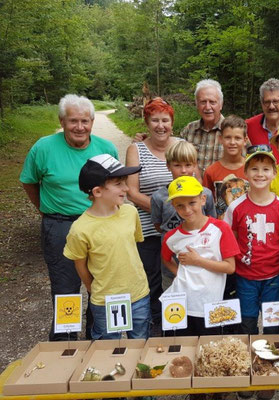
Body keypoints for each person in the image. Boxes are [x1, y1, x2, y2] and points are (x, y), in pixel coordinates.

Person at [20, 94, 118, 341]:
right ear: (62, 121)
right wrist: (44, 209)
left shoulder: (106, 149)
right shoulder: (43, 148)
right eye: (73, 121)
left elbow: (117, 186)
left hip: (100, 225)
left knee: (101, 285)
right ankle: (65, 345)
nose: (79, 127)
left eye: (85, 121)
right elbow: (29, 182)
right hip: (61, 225)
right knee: (66, 289)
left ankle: (98, 339)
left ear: (92, 122)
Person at [63, 154, 150, 340]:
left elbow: (131, 247)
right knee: (109, 348)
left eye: (125, 182)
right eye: (119, 184)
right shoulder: (80, 229)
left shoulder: (130, 212)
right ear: (97, 191)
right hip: (106, 300)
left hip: (139, 294)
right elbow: (80, 264)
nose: (126, 189)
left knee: (141, 342)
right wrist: (93, 289)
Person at [161, 176, 240, 336]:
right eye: (180, 206)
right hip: (182, 304)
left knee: (210, 349)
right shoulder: (171, 237)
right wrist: (181, 274)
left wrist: (198, 261)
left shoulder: (220, 228)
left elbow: (230, 267)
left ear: (203, 199)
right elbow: (166, 259)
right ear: (174, 207)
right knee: (182, 346)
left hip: (211, 304)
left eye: (192, 203)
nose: (187, 210)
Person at [125, 97, 178, 335]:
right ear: (147, 123)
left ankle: (177, 327)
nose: (160, 125)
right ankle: (153, 329)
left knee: (177, 279)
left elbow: (192, 184)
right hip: (147, 229)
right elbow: (131, 192)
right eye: (155, 120)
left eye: (165, 120)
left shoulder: (181, 146)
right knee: (152, 280)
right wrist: (164, 212)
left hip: (179, 231)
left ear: (172, 123)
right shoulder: (135, 150)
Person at [224, 144, 279, 334]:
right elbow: (230, 238)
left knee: (274, 324)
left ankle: (273, 358)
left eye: (266, 169)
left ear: (274, 173)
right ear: (245, 172)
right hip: (246, 276)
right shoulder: (236, 207)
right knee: (247, 321)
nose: (260, 174)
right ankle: (247, 359)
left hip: (275, 275)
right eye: (254, 168)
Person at [151, 141, 216, 291]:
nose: (183, 170)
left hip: (203, 266)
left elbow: (212, 222)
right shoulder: (159, 197)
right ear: (168, 165)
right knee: (174, 308)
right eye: (177, 165)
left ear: (195, 165)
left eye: (188, 165)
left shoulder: (206, 194)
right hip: (171, 267)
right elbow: (159, 226)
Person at [202, 115, 248, 217]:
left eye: (237, 138)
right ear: (220, 139)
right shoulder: (211, 172)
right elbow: (206, 205)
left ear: (245, 140)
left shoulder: (251, 169)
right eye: (228, 137)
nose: (232, 142)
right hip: (220, 227)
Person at [180, 79, 225, 173]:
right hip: (192, 187)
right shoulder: (189, 130)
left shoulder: (233, 131)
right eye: (203, 102)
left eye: (212, 102)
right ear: (197, 105)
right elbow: (177, 160)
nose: (208, 107)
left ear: (221, 105)